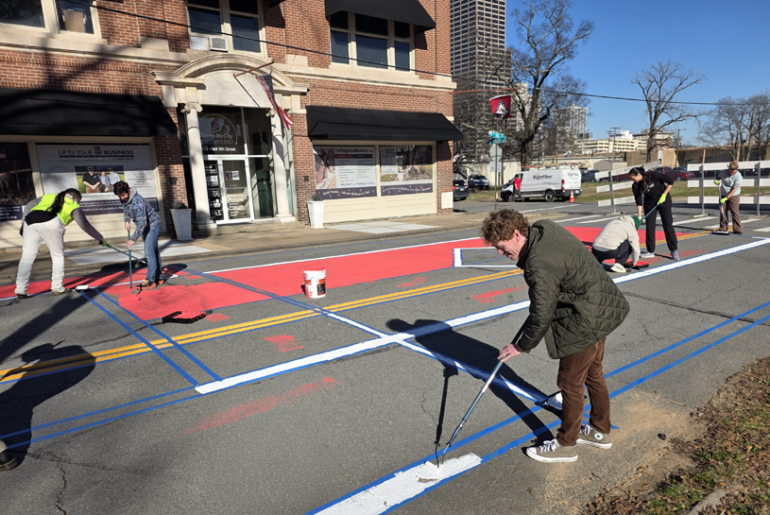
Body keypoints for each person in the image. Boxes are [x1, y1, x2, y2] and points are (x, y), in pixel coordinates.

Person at [481, 210, 629, 463]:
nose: (499, 252)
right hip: (602, 306)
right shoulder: (543, 228)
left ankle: (565, 445)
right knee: (594, 375)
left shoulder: (537, 266)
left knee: (570, 384)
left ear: (517, 234)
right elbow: (553, 288)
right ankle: (600, 431)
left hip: (583, 319)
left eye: (501, 246)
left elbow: (541, 313)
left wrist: (521, 346)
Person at [15, 189, 106, 299]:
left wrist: (23, 222)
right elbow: (85, 225)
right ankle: (57, 288)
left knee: (27, 256)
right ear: (75, 198)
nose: (79, 203)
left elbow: (30, 204)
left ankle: (20, 289)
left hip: (29, 221)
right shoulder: (73, 205)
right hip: (51, 222)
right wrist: (100, 238)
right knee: (57, 256)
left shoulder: (48, 196)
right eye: (79, 201)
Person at [114, 181, 162, 288]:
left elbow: (143, 223)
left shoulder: (138, 201)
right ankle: (158, 276)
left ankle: (151, 279)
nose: (122, 198)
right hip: (145, 225)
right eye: (119, 196)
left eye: (123, 195)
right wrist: (126, 221)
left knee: (149, 252)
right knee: (153, 251)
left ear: (129, 191)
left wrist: (133, 239)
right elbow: (125, 210)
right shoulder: (124, 199)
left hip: (152, 225)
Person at [629, 166, 679, 261]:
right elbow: (639, 201)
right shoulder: (635, 186)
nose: (632, 180)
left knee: (667, 225)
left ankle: (673, 250)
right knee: (650, 227)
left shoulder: (653, 175)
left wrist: (664, 195)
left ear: (638, 175)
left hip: (664, 201)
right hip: (650, 204)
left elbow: (670, 182)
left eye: (633, 178)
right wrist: (639, 216)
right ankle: (650, 251)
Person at [714, 161, 742, 235]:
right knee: (722, 211)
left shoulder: (738, 176)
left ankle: (737, 229)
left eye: (733, 172)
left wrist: (727, 197)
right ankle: (723, 228)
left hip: (734, 195)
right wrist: (716, 180)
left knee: (734, 212)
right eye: (730, 171)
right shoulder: (723, 172)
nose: (731, 173)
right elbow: (718, 177)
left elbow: (734, 189)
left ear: (736, 170)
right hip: (723, 194)